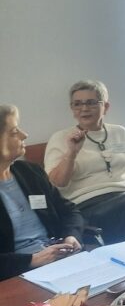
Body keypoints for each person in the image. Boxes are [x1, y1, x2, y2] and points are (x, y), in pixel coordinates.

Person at [44, 80, 125, 244]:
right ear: (72, 109)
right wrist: (71, 153)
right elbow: (56, 184)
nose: (84, 109)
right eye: (77, 104)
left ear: (105, 106)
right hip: (86, 207)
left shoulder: (120, 132)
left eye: (91, 103)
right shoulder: (60, 138)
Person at [1, 105, 83, 280]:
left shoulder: (30, 172)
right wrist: (33, 260)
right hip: (17, 274)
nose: (25, 135)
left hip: (60, 259)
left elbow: (70, 211)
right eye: (14, 132)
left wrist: (71, 236)